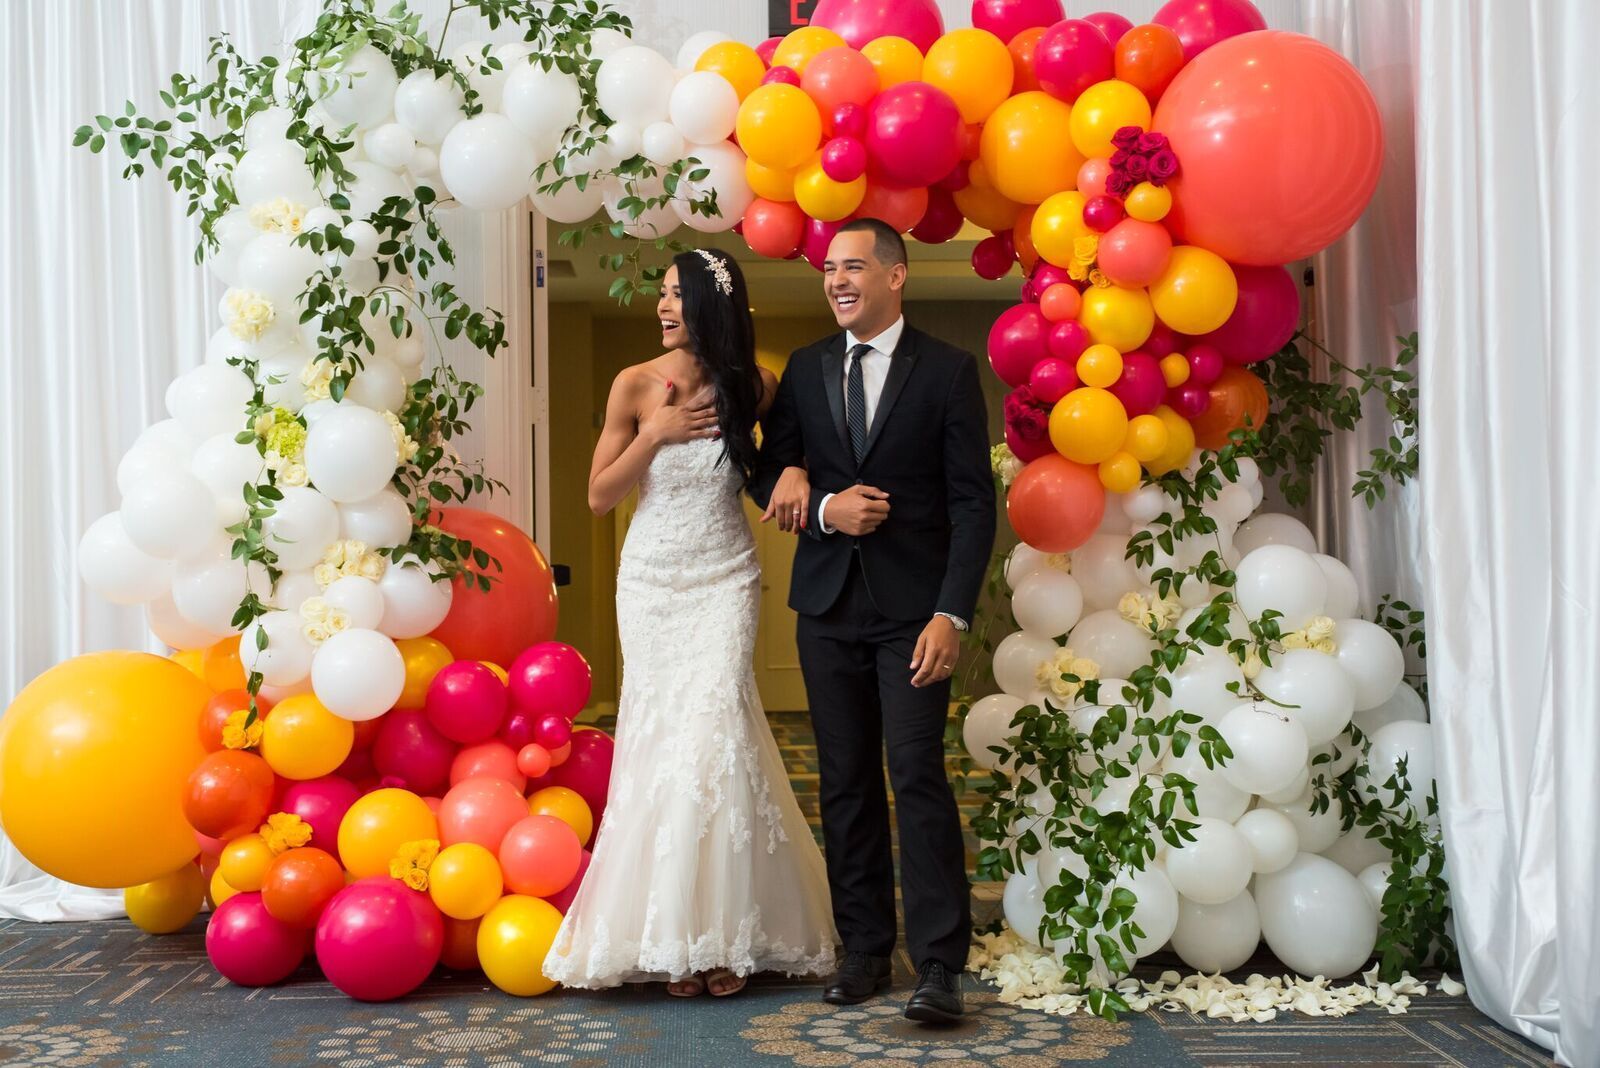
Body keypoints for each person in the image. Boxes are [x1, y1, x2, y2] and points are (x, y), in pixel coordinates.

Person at [542, 249, 837, 998]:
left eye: (677, 296)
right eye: (662, 296)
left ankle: (723, 937)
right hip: (651, 582)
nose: (662, 308)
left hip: (726, 579)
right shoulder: (634, 385)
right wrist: (657, 433)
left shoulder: (754, 388)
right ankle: (672, 937)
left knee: (717, 735)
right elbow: (599, 495)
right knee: (662, 741)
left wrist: (798, 471)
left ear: (712, 306)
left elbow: (790, 448)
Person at [751, 218, 997, 1024]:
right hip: (825, 608)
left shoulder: (949, 372)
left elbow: (972, 504)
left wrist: (951, 612)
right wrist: (819, 502)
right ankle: (864, 949)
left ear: (896, 276)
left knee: (917, 774)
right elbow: (767, 472)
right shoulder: (809, 369)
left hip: (915, 617)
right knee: (844, 780)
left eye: (853, 266)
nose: (837, 280)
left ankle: (937, 965)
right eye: (829, 268)